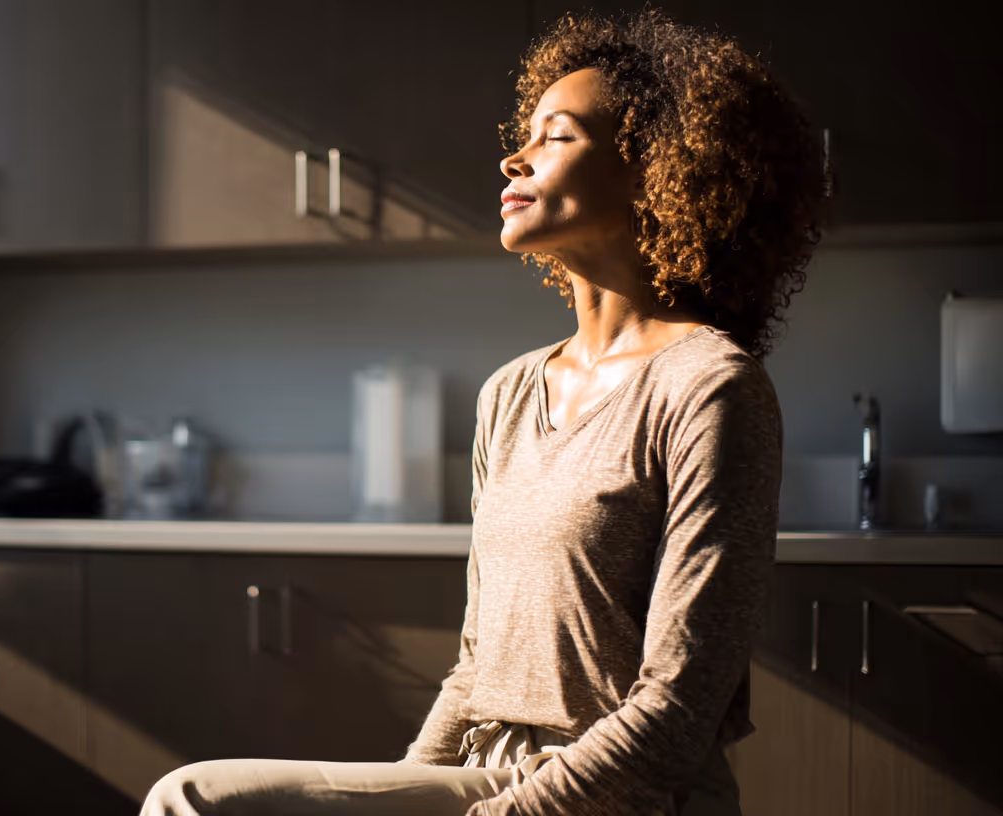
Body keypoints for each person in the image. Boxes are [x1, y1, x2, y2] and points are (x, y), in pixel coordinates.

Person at [139, 9, 827, 816]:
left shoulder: (709, 386)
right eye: (524, 133)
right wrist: (405, 784)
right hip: (486, 784)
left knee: (192, 799)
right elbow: (476, 668)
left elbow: (678, 710)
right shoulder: (509, 394)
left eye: (556, 136)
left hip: (625, 797)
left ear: (656, 167)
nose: (514, 154)